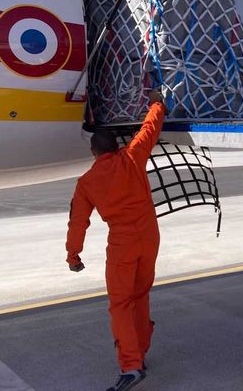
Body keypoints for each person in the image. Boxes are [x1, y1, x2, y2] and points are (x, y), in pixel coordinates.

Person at [66, 89, 166, 391]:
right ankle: (141, 352)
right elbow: (150, 128)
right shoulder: (133, 156)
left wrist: (74, 255)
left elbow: (78, 223)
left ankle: (131, 365)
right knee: (141, 295)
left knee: (121, 304)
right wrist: (157, 102)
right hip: (149, 236)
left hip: (122, 244)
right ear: (116, 146)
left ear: (94, 153)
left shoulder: (87, 182)